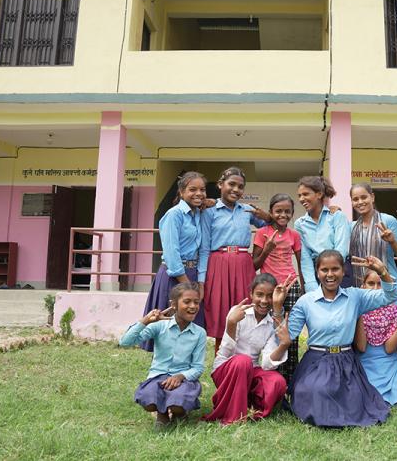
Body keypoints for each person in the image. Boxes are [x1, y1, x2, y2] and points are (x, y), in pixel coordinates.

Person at [285, 250, 397, 427]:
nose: (330, 274)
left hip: (346, 363)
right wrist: (277, 310)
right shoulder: (306, 302)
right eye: (324, 270)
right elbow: (288, 335)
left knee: (353, 400)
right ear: (317, 272)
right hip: (316, 361)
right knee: (315, 391)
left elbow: (392, 296)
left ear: (344, 271)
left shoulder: (355, 296)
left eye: (335, 269)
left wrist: (383, 271)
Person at [202, 274, 292, 424]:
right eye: (259, 295)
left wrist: (283, 345)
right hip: (226, 370)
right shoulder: (237, 313)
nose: (264, 301)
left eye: (269, 296)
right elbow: (225, 352)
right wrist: (231, 323)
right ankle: (234, 417)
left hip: (251, 372)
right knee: (243, 361)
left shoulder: (271, 323)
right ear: (251, 294)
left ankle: (252, 410)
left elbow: (266, 365)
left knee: (278, 381)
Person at [199, 167, 270, 348]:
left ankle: (246, 360)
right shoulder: (210, 210)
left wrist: (267, 216)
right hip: (218, 264)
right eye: (231, 184)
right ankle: (221, 363)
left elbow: (274, 223)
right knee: (221, 313)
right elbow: (205, 247)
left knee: (245, 309)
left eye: (240, 186)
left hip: (243, 263)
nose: (236, 190)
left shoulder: (247, 210)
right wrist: (202, 279)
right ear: (220, 185)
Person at [119, 281, 206, 428]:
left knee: (179, 401)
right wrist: (145, 321)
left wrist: (180, 376)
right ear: (174, 304)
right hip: (158, 377)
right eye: (187, 302)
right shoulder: (159, 326)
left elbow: (197, 368)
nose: (193, 306)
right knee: (149, 399)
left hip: (184, 380)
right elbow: (125, 342)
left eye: (196, 302)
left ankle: (180, 412)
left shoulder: (199, 333)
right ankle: (162, 413)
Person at [141, 171, 207, 351]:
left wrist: (199, 283)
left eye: (202, 189)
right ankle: (162, 373)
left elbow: (202, 250)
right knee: (168, 328)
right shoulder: (174, 215)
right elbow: (171, 253)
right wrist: (186, 285)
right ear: (181, 192)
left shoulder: (198, 214)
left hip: (192, 274)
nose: (199, 194)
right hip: (174, 277)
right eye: (192, 189)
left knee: (188, 328)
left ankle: (184, 373)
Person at [252, 193, 302, 382]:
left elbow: (301, 262)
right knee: (271, 332)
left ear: (292, 214)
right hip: (270, 289)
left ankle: (290, 379)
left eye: (287, 211)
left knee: (292, 333)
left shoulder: (294, 235)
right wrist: (267, 249)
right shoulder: (262, 233)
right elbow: (254, 264)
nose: (283, 215)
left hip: (291, 288)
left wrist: (303, 289)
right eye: (278, 211)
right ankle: (272, 377)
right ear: (271, 212)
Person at [354, 270, 397, 410]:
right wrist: (360, 309)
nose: (375, 289)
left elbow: (389, 348)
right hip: (365, 366)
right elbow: (361, 347)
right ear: (363, 287)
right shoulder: (356, 309)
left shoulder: (394, 311)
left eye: (380, 284)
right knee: (364, 403)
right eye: (370, 283)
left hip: (391, 366)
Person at [294, 176, 351, 293]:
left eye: (306, 194)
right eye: (299, 195)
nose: (301, 199)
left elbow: (342, 249)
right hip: (317, 274)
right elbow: (305, 258)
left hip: (340, 271)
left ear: (319, 194)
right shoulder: (300, 224)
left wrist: (332, 273)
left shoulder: (337, 216)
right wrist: (311, 286)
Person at [349, 183, 397, 287]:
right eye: (355, 199)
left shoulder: (388, 221)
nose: (360, 202)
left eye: (364, 197)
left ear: (372, 197)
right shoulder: (351, 227)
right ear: (352, 202)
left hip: (388, 281)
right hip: (361, 285)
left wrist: (392, 241)